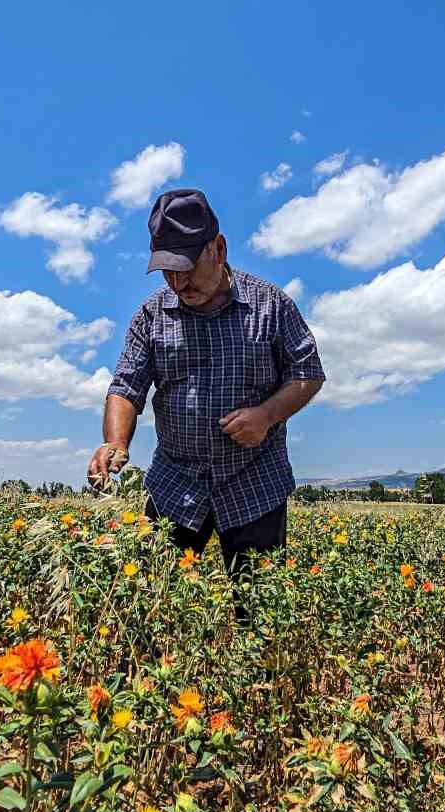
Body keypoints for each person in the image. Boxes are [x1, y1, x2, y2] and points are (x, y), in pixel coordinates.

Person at [89, 188, 325, 617]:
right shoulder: (151, 315)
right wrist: (114, 443)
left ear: (218, 249)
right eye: (166, 272)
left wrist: (266, 416)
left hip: (255, 484)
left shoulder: (270, 305)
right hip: (175, 486)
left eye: (186, 269)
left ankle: (257, 685)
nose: (178, 283)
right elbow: (126, 386)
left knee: (260, 614)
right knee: (151, 609)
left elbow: (308, 373)